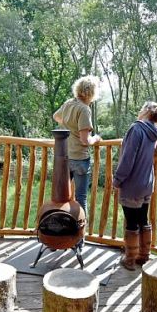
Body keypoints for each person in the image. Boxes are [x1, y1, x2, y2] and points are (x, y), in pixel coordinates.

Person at [113, 101, 157, 270]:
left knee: (131, 222)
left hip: (132, 184)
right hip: (147, 183)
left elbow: (127, 160)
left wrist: (117, 180)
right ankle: (143, 256)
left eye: (141, 108)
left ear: (145, 111)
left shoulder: (136, 129)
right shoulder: (154, 131)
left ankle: (130, 259)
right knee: (142, 219)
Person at [52, 76, 101, 217]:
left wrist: (68, 126)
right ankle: (79, 237)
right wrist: (96, 138)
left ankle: (64, 231)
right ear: (91, 92)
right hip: (79, 158)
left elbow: (56, 116)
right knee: (81, 198)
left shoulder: (69, 103)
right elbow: (85, 140)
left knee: (62, 196)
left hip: (64, 157)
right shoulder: (84, 109)